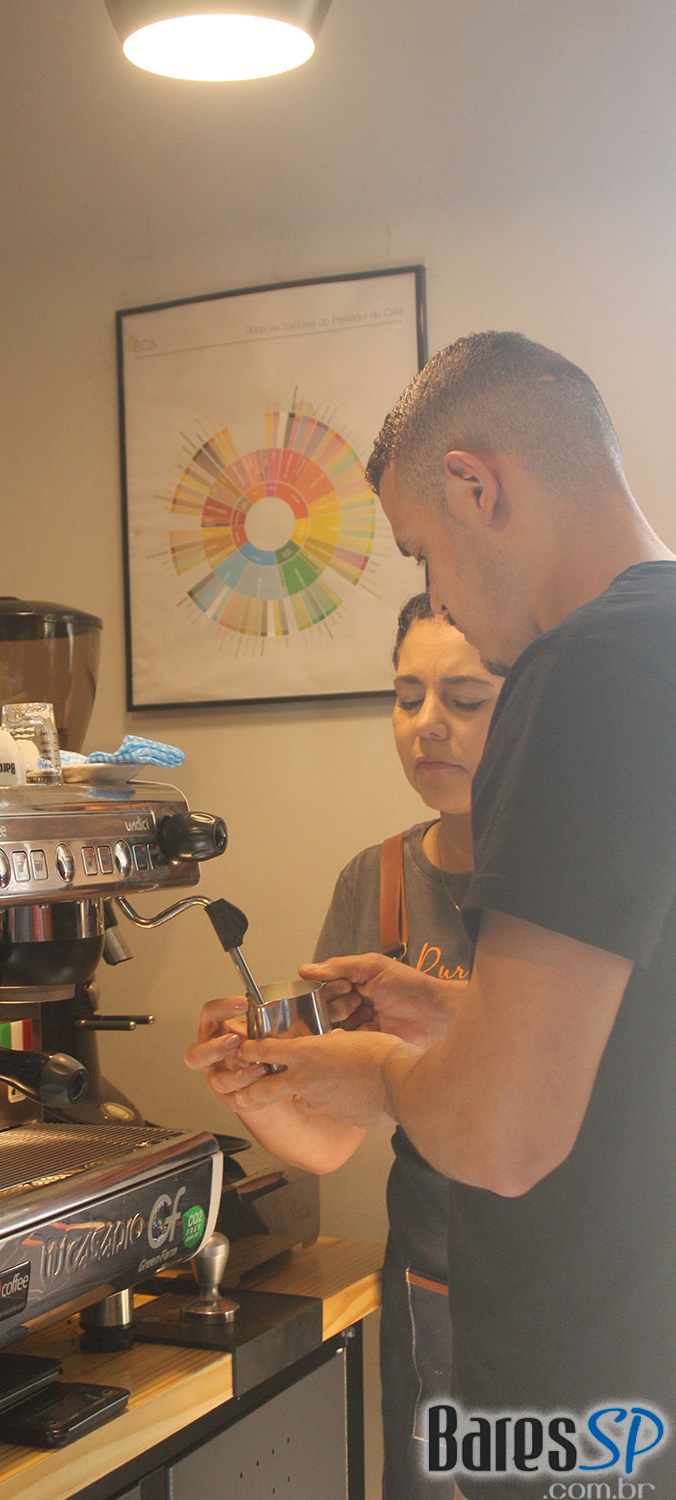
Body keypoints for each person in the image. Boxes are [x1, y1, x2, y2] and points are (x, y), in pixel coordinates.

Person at [185, 332, 676, 1500]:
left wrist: (369, 1073)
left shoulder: (585, 669)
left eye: (421, 552)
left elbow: (503, 1137)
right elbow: (638, 1033)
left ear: (473, 486)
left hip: (587, 1392)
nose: (438, 593)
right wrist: (446, 1013)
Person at [189, 592, 501, 1500]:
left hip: (574, 1281)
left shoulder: (577, 874)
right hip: (434, 1291)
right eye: (407, 697)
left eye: (465, 699)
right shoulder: (380, 881)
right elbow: (331, 1141)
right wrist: (257, 1082)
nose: (427, 724)